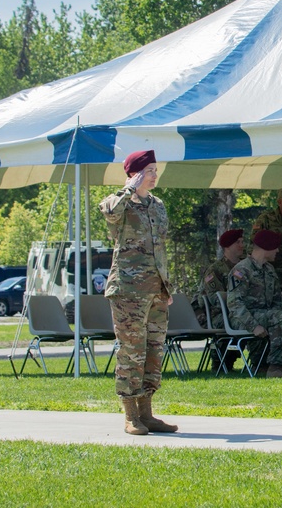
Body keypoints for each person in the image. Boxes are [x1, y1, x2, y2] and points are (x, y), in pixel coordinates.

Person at [99, 149, 177, 436]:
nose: (155, 175)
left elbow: (160, 249)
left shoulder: (157, 205)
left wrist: (165, 286)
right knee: (131, 351)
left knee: (153, 350)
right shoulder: (120, 202)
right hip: (128, 291)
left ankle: (147, 413)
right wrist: (128, 188)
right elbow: (108, 212)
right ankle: (131, 416)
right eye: (150, 170)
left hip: (155, 290)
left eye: (156, 170)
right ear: (135, 173)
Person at [227, 229, 282, 379]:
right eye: (275, 246)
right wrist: (254, 326)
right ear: (266, 247)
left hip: (267, 315)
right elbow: (234, 304)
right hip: (244, 319)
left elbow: (277, 302)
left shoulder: (269, 270)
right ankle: (275, 367)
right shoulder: (241, 270)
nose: (277, 250)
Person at [191, 229, 246, 372]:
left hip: (238, 311)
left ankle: (257, 362)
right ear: (227, 246)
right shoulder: (215, 270)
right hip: (216, 315)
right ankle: (220, 361)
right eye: (237, 242)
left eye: (242, 242)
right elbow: (215, 300)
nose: (242, 245)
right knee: (243, 319)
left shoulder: (246, 266)